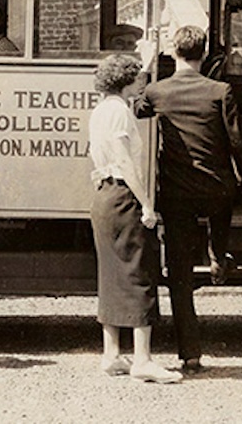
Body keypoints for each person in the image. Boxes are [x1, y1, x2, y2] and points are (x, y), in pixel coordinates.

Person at [133, 25, 242, 375]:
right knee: (222, 207)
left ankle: (191, 354)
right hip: (216, 188)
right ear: (204, 53)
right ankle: (218, 255)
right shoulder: (221, 90)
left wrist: (145, 64)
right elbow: (238, 142)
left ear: (174, 53)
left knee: (179, 275)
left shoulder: (158, 91)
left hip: (177, 191)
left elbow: (137, 108)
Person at [89, 54, 181, 384]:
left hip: (103, 195)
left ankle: (112, 354)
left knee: (113, 275)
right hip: (122, 196)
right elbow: (126, 163)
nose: (140, 82)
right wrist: (146, 205)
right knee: (140, 274)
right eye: (136, 77)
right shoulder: (119, 112)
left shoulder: (101, 110)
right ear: (126, 81)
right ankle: (142, 360)